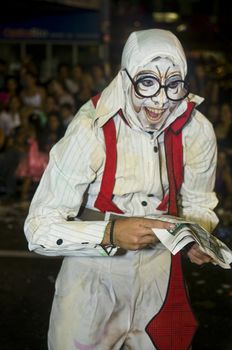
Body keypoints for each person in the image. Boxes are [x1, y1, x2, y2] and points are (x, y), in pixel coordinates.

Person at [24, 29, 219, 350]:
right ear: (127, 77)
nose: (160, 100)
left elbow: (199, 203)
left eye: (173, 85)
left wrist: (197, 237)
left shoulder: (197, 130)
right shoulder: (91, 128)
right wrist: (110, 233)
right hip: (92, 278)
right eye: (147, 82)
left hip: (159, 274)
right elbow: (38, 230)